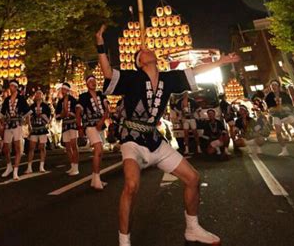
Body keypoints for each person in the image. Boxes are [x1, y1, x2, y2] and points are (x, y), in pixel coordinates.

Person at [96, 24, 239, 246]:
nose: (147, 49)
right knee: (131, 185)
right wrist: (100, 43)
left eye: (147, 48)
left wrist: (222, 62)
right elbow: (106, 72)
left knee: (193, 178)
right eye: (141, 51)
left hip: (155, 140)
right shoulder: (132, 78)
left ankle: (192, 229)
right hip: (132, 139)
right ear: (139, 62)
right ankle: (124, 242)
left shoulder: (169, 78)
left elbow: (194, 71)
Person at [76, 74, 110, 190]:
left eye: (95, 81)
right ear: (86, 84)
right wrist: (80, 128)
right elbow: (78, 112)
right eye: (91, 81)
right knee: (99, 149)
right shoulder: (83, 97)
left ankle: (96, 179)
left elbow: (107, 109)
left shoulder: (101, 94)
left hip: (100, 125)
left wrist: (102, 121)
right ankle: (96, 179)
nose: (93, 83)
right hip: (90, 126)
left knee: (100, 153)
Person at [265, 79, 294, 157]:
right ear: (270, 87)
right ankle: (284, 150)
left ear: (278, 86)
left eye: (275, 85)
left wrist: (285, 109)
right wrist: (277, 108)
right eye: (272, 85)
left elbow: (290, 105)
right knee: (278, 133)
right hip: (276, 115)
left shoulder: (284, 94)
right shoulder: (269, 96)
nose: (273, 87)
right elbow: (269, 109)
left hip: (287, 114)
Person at [0, 80, 30, 180]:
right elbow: (2, 113)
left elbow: (28, 112)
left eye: (12, 86)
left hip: (17, 124)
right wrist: (2, 124)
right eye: (10, 86)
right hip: (8, 125)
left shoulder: (21, 99)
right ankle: (9, 166)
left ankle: (15, 170)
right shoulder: (7, 99)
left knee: (17, 147)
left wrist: (25, 121)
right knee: (6, 147)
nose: (10, 88)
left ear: (16, 87)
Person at [55, 82, 80, 176]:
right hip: (65, 124)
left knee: (74, 145)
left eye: (64, 89)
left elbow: (78, 112)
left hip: (73, 124)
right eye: (62, 89)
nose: (63, 91)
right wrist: (61, 115)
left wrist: (71, 114)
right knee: (67, 147)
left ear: (68, 90)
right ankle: (72, 166)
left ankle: (76, 167)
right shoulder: (60, 102)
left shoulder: (73, 100)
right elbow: (57, 116)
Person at [27, 89, 51, 174]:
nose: (38, 96)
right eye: (36, 94)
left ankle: (41, 166)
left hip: (42, 128)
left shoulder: (45, 106)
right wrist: (29, 125)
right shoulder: (32, 106)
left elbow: (49, 118)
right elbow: (28, 116)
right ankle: (29, 167)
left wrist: (43, 117)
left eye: (39, 94)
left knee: (42, 147)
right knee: (31, 147)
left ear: (42, 96)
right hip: (34, 128)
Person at [174, 91, 202, 155]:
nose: (185, 94)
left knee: (195, 133)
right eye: (184, 93)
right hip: (185, 119)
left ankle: (198, 148)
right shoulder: (180, 101)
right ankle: (187, 149)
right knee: (186, 134)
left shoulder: (192, 100)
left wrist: (195, 113)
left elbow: (199, 108)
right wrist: (180, 113)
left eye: (186, 93)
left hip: (192, 119)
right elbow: (175, 108)